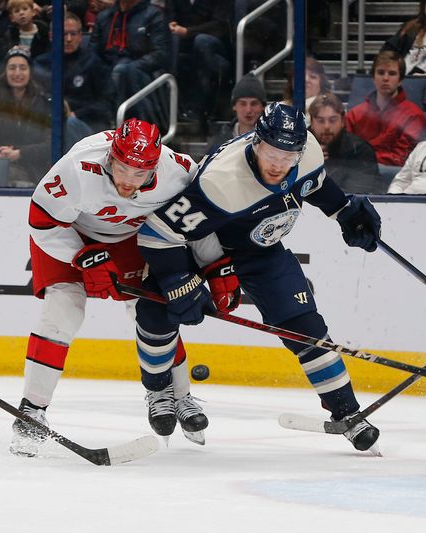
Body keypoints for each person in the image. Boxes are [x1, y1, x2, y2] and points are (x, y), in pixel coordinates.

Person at [136, 103, 383, 452]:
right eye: (272, 152)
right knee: (156, 309)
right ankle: (159, 390)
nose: (280, 164)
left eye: (289, 155)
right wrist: (179, 280)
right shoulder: (221, 182)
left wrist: (343, 210)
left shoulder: (307, 151)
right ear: (255, 143)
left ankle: (347, 413)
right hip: (201, 245)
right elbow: (156, 234)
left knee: (306, 327)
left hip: (258, 249)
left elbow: (314, 184)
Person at [10, 118, 203, 457]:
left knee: (149, 309)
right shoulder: (77, 167)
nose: (128, 181)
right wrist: (83, 257)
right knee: (63, 308)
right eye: (122, 168)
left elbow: (203, 221)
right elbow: (42, 222)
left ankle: (180, 395)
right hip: (68, 232)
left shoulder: (180, 172)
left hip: (130, 237)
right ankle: (32, 410)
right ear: (110, 157)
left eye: (139, 174)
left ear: (155, 166)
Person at [345, 50, 426, 183]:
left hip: (394, 178)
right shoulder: (354, 115)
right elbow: (345, 152)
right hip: (357, 177)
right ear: (373, 77)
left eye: (392, 73)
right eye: (381, 73)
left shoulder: (414, 115)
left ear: (400, 80)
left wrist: (363, 158)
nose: (386, 78)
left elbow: (400, 158)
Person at [0, 45, 50, 186]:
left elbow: (52, 145)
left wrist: (20, 153)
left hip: (34, 174)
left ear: (30, 72)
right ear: (5, 71)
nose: (17, 73)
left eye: (22, 68)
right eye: (12, 68)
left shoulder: (44, 105)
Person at [89, 0, 170, 126]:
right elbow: (92, 52)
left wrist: (132, 67)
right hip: (108, 66)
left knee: (122, 70)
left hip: (140, 70)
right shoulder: (104, 16)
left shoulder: (154, 15)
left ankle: (125, 127)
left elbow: (160, 54)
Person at [33, 12, 114, 132]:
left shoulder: (93, 62)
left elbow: (107, 103)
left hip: (86, 124)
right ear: (51, 36)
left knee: (68, 123)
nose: (69, 39)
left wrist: (77, 114)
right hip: (48, 124)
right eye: (63, 34)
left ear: (80, 36)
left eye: (73, 34)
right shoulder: (40, 64)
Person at [167, 0, 234, 122]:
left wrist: (188, 32)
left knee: (202, 42)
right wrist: (171, 24)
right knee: (172, 43)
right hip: (185, 44)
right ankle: (176, 109)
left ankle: (203, 107)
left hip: (216, 44)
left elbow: (219, 26)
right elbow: (171, 16)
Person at [308, 92, 386, 195]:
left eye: (333, 120)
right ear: (312, 123)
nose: (326, 126)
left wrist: (328, 165)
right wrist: (308, 160)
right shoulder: (296, 149)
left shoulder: (359, 150)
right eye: (320, 121)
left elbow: (355, 195)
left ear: (343, 122)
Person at [208, 74, 266, 149]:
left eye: (254, 104)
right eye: (243, 104)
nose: (248, 110)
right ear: (234, 106)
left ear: (263, 107)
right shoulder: (220, 143)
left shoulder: (273, 141)